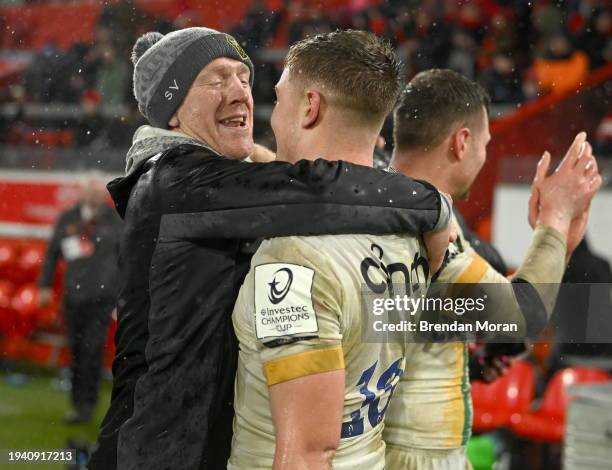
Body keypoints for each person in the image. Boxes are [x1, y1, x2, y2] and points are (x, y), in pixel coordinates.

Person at [88, 27, 453, 470]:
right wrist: (436, 205)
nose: (242, 92)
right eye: (217, 79)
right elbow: (515, 314)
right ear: (173, 109)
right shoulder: (175, 183)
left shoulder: (288, 235)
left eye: (244, 77)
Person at [229, 30, 441, 470]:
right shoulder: (411, 228)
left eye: (280, 99)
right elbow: (518, 313)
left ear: (310, 107)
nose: (273, 115)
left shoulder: (293, 260)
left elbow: (308, 453)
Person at [383, 69, 601, 469]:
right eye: (485, 145)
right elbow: (522, 317)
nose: (485, 157)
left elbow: (403, 331)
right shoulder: (431, 224)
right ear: (462, 142)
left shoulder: (384, 204)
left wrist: (465, 361)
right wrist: (554, 221)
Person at [38, 173, 120, 424]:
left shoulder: (115, 218)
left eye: (99, 191)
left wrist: (123, 295)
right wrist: (44, 286)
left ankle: (87, 405)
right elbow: (52, 255)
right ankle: (77, 404)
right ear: (81, 193)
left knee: (92, 351)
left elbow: (127, 256)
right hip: (72, 297)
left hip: (102, 298)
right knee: (74, 351)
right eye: (91, 191)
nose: (95, 195)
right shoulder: (67, 218)